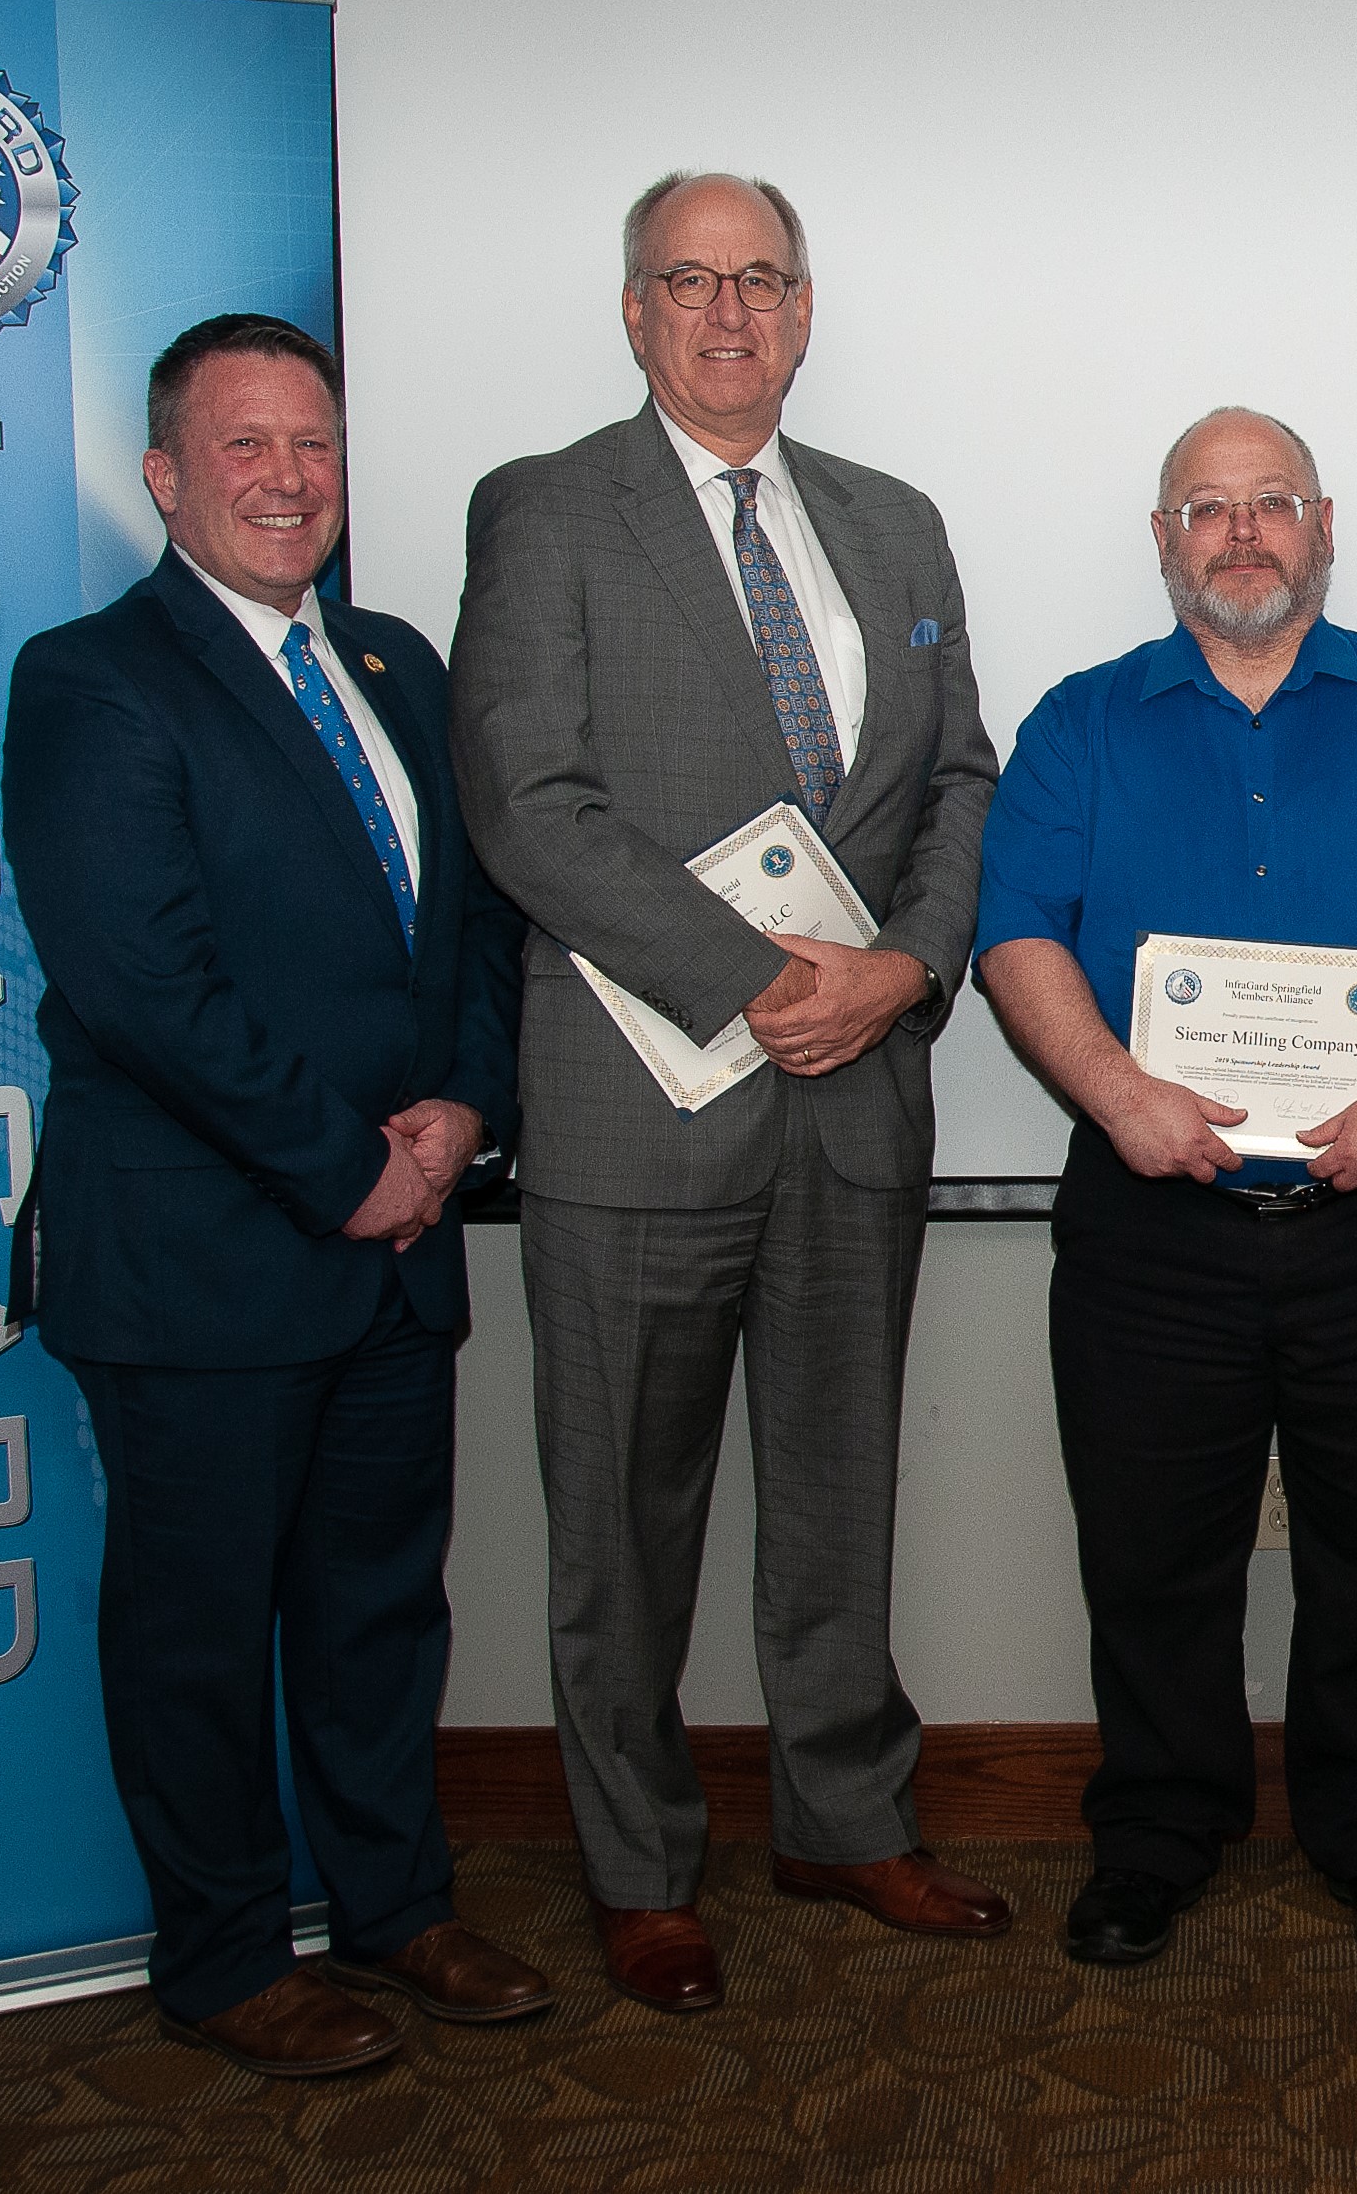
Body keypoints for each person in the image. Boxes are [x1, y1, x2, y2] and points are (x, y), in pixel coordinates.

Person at [448, 172, 1009, 2012]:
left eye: (758, 281)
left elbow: (960, 786)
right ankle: (638, 1863)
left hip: (857, 1099)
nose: (725, 313)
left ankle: (846, 1819)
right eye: (686, 282)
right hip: (637, 1101)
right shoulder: (544, 512)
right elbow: (530, 808)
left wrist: (906, 973)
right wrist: (763, 979)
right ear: (631, 311)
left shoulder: (896, 525)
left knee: (840, 1496)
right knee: (621, 1519)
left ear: (806, 305)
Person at [5, 314, 544, 2075]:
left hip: (393, 1250)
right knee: (197, 1630)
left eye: (311, 445)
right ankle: (225, 1954)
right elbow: (143, 986)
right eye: (244, 446)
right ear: (164, 476)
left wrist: (460, 1112)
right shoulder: (94, 680)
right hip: (202, 1259)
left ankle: (394, 1909)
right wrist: (350, 1173)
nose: (286, 479)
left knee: (381, 1606)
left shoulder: (394, 662)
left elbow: (470, 929)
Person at [978, 407, 1357, 1967]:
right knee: (1151, 1557)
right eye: (1205, 508)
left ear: (1325, 524)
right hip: (1151, 1229)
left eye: (1271, 503)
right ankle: (1155, 1834)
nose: (1242, 534)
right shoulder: (1078, 725)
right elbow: (1014, 932)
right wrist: (1117, 1095)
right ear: (1164, 541)